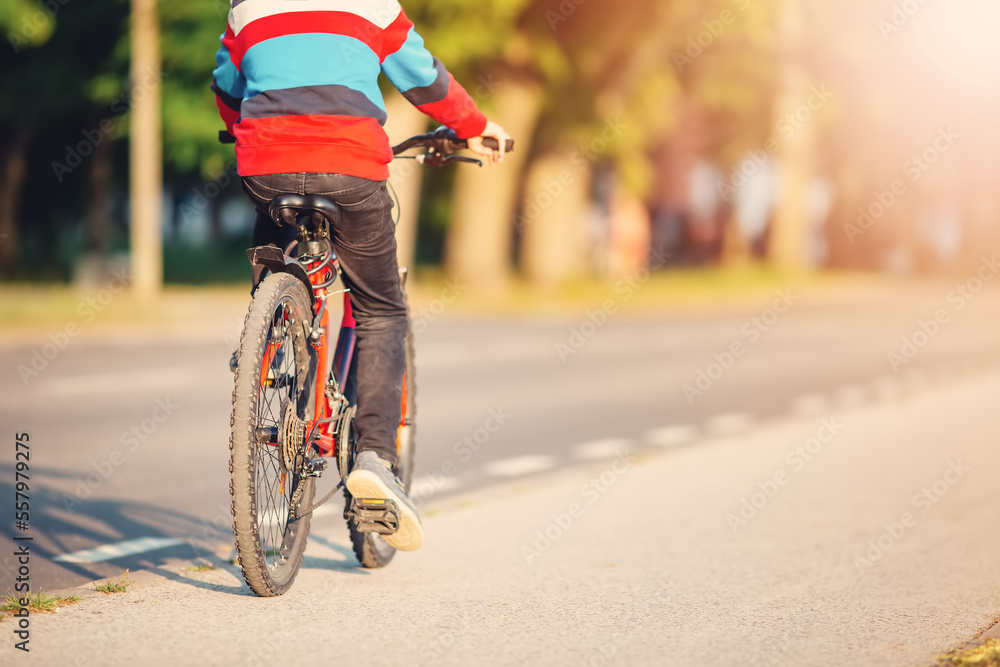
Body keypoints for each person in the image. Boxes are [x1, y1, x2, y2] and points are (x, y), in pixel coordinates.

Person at [211, 0, 509, 553]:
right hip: (349, 167)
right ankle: (374, 457)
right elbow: (424, 80)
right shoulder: (372, 5)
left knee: (274, 242)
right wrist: (473, 126)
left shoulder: (246, 8)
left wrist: (239, 128)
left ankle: (268, 343)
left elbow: (228, 87)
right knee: (381, 311)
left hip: (266, 168)